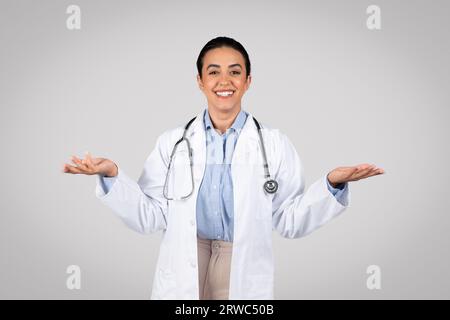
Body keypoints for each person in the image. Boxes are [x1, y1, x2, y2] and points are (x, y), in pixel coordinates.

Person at [63, 36, 384, 300]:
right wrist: (111, 176)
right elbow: (152, 216)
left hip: (240, 261)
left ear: (247, 80)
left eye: (234, 71)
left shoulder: (273, 144)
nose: (224, 81)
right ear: (200, 81)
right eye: (213, 72)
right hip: (186, 259)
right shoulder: (172, 142)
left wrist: (331, 185)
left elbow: (289, 220)